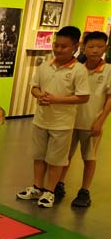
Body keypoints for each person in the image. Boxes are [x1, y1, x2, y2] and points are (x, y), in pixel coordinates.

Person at [16, 26, 90, 208]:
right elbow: (34, 87)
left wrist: (57, 100)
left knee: (56, 160)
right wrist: (39, 95)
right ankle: (37, 187)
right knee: (38, 156)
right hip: (40, 120)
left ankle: (50, 191)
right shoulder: (45, 66)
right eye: (56, 45)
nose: (58, 49)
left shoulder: (79, 70)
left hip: (62, 124)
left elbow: (83, 97)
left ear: (75, 47)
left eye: (64, 46)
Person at [55, 31, 111, 207]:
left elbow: (109, 98)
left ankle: (84, 191)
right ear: (83, 47)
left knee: (89, 157)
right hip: (70, 121)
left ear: (106, 48)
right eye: (91, 46)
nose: (95, 50)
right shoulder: (78, 68)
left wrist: (100, 121)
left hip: (91, 123)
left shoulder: (108, 71)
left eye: (100, 47)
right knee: (65, 156)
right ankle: (59, 184)